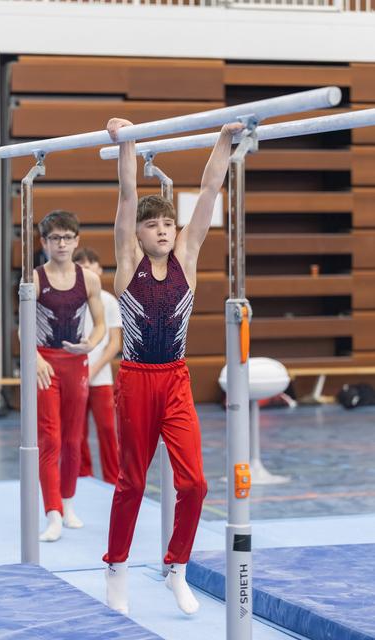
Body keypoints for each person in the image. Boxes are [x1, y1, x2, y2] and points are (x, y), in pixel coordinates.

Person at [103, 117, 244, 615]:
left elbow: (209, 189)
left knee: (196, 484)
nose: (162, 231)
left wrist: (225, 140)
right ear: (137, 236)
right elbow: (125, 197)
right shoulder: (126, 265)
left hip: (177, 380)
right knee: (133, 482)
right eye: (152, 226)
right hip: (137, 381)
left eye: (167, 224)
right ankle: (116, 569)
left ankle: (176, 568)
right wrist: (126, 143)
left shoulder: (187, 255)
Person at [34, 210, 105, 542]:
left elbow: (101, 324)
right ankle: (52, 513)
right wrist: (33, 358)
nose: (61, 244)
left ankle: (68, 502)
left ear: (77, 241)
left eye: (67, 237)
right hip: (46, 364)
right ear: (44, 242)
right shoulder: (34, 279)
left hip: (76, 363)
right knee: (50, 438)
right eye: (54, 238)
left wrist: (89, 345)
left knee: (73, 438)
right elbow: (24, 328)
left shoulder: (88, 279)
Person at [73, 247, 122, 484]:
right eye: (81, 266)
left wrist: (94, 368)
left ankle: (113, 479)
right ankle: (84, 476)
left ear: (99, 270)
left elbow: (114, 343)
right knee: (77, 433)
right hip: (76, 377)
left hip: (101, 378)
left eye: (91, 265)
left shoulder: (109, 301)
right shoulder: (71, 301)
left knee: (107, 431)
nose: (87, 270)